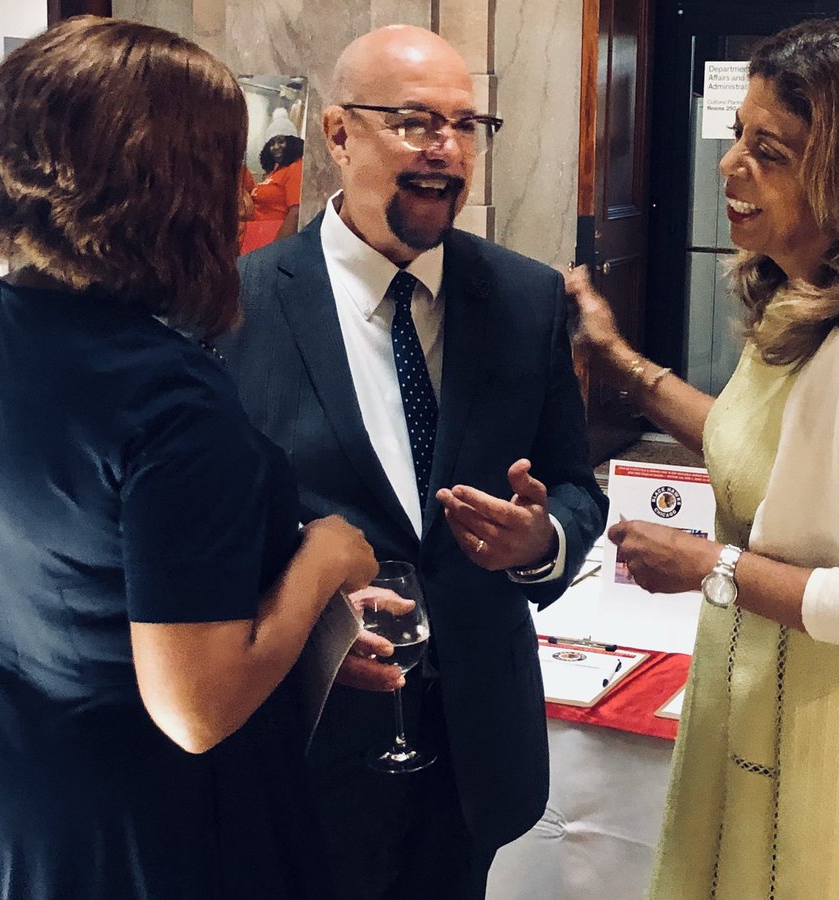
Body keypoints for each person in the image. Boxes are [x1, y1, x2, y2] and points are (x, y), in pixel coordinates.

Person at [0, 17, 377, 900]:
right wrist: (325, 559)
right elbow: (193, 711)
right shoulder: (170, 397)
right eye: (225, 163)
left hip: (3, 787)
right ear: (155, 185)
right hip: (145, 824)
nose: (248, 191)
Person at [568, 20, 839, 899]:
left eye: (771, 152)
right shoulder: (811, 302)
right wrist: (621, 364)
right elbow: (763, 452)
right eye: (739, 137)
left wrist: (710, 567)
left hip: (834, 733)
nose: (731, 167)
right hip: (760, 691)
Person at [218, 23, 608, 900]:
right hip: (308, 738)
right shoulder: (235, 305)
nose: (447, 148)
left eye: (467, 125)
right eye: (415, 122)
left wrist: (542, 542)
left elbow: (575, 486)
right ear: (339, 133)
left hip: (474, 747)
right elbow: (205, 531)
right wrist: (314, 622)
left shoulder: (525, 297)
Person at [241, 134, 304, 253]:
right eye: (271, 143)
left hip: (274, 238)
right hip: (256, 236)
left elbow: (296, 212)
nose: (276, 147)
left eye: (281, 142)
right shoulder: (276, 171)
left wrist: (276, 250)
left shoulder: (296, 167)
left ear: (292, 142)